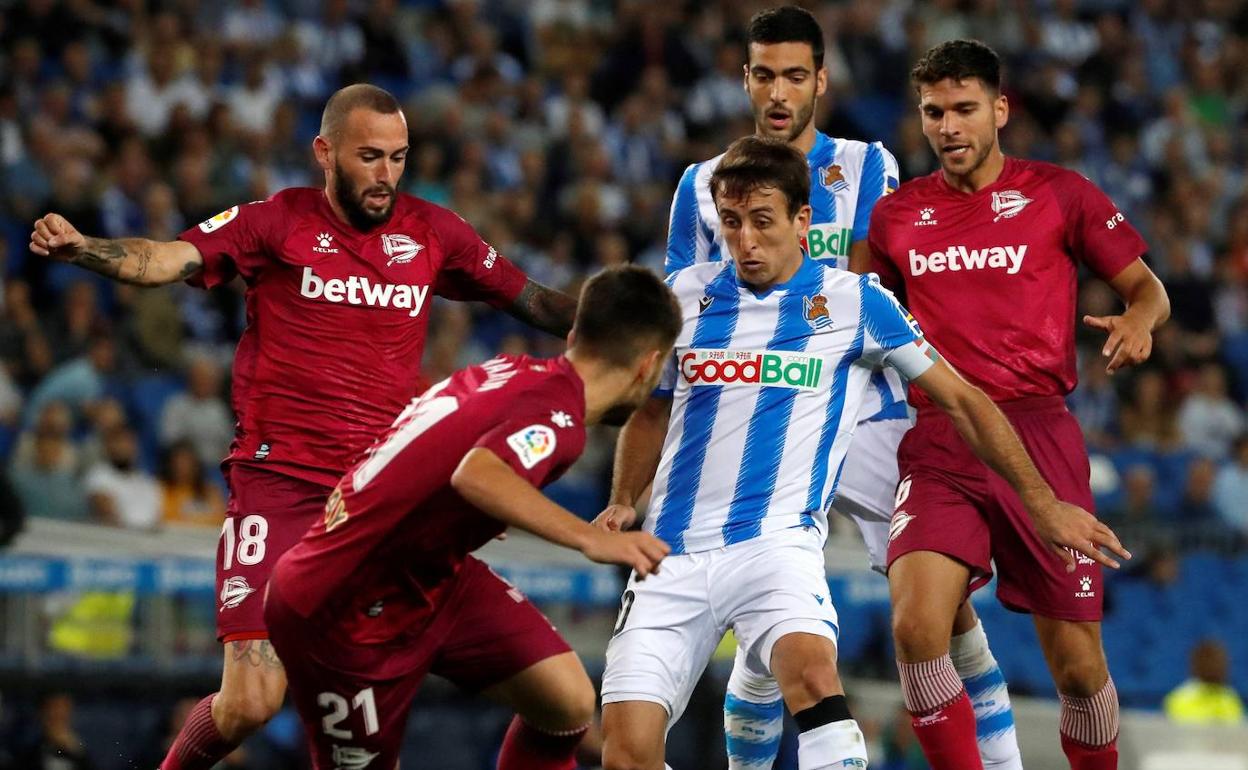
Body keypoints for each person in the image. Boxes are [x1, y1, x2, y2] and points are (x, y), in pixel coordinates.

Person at [28, 83, 578, 770]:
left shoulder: (434, 233)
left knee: (567, 702)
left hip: (383, 501)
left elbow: (536, 300)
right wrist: (84, 249)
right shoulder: (275, 223)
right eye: (370, 157)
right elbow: (168, 258)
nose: (386, 175)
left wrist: (635, 316)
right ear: (325, 152)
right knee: (251, 702)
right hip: (281, 486)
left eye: (399, 158)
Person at [597, 135, 1121, 770]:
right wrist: (624, 500)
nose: (746, 242)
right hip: (669, 553)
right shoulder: (680, 297)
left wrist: (1040, 502)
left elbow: (965, 400)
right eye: (731, 223)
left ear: (802, 220)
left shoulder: (857, 303)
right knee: (626, 753)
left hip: (775, 548)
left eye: (763, 222)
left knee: (817, 680)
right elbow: (651, 408)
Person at [664, 7, 1021, 768]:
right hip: (756, 411)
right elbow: (684, 311)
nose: (779, 92)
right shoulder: (700, 185)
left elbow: (863, 285)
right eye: (765, 75)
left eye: (796, 75)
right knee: (763, 615)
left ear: (821, 80)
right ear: (746, 79)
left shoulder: (865, 164)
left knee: (946, 607)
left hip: (860, 411)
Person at [868, 41, 1169, 770]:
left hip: (1040, 433)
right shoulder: (895, 217)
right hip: (941, 434)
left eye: (964, 108)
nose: (948, 126)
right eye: (933, 112)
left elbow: (1148, 289)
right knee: (915, 628)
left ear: (999, 110)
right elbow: (855, 318)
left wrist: (1138, 321)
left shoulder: (1061, 194)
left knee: (1077, 667)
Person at [264, 266, 680, 769]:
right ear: (649, 366)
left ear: (574, 336)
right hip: (342, 606)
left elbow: (432, 443)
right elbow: (478, 474)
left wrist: (453, 514)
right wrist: (589, 540)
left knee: (565, 701)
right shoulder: (559, 422)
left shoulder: (511, 370)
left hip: (433, 574)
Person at [1163, 639, 1245, 725]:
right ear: (1195, 665)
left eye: (1219, 662)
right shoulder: (1178, 699)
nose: (1215, 667)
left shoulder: (1232, 700)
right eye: (1209, 661)